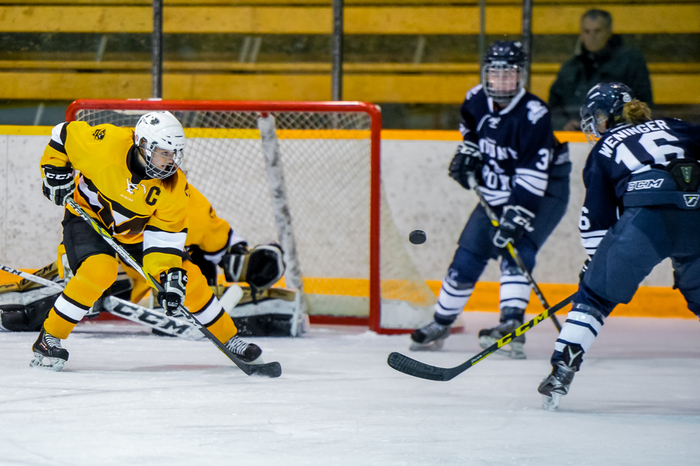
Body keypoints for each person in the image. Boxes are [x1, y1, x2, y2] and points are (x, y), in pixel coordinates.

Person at [32, 111, 265, 371]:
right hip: (87, 218)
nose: (169, 161)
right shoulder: (106, 144)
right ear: (142, 145)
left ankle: (229, 339)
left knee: (190, 278)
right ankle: (50, 337)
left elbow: (163, 244)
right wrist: (54, 169)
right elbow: (63, 134)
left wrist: (168, 276)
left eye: (174, 154)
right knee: (99, 271)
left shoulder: (175, 189)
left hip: (135, 233)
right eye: (163, 152)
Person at [538, 82, 700, 410]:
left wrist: (596, 265)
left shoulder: (605, 148)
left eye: (597, 118)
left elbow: (597, 218)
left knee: (594, 296)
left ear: (611, 117)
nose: (595, 126)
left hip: (648, 218)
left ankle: (561, 370)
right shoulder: (677, 126)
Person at [410, 40, 571, 359]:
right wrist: (468, 153)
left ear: (521, 77)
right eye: (496, 74)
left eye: (509, 75)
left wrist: (517, 216)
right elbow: (469, 130)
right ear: (486, 75)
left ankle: (511, 325)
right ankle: (442, 322)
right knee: (468, 253)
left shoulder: (534, 113)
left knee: (517, 248)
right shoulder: (474, 99)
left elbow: (532, 175)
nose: (502, 81)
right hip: (499, 186)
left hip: (544, 191)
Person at [548, 9, 653, 131]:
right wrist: (564, 124)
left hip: (618, 136)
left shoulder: (631, 62)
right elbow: (553, 107)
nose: (592, 37)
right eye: (587, 31)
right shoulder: (569, 68)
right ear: (581, 34)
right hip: (575, 139)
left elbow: (643, 104)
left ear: (608, 32)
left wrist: (615, 123)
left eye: (597, 31)